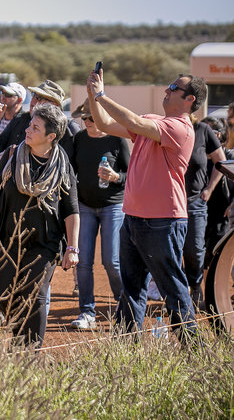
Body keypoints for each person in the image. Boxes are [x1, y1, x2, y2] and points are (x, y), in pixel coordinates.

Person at [87, 70, 207, 344]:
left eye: (173, 87)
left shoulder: (181, 127)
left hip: (163, 221)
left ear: (190, 99)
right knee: (132, 288)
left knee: (173, 288)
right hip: (135, 219)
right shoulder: (153, 122)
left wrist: (101, 94)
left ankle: (194, 348)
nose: (167, 89)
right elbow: (104, 124)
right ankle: (125, 348)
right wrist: (92, 95)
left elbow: (131, 121)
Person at [0, 103, 79, 346]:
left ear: (51, 136)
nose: (28, 130)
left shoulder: (62, 167)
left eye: (35, 127)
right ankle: (19, 337)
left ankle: (29, 351)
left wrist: (72, 248)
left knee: (35, 295)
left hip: (44, 242)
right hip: (7, 237)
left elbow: (71, 210)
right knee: (5, 294)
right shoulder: (14, 155)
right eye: (30, 124)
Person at [69, 101, 129, 330]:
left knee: (111, 260)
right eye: (84, 119)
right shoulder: (80, 139)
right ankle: (87, 312)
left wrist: (115, 177)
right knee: (82, 261)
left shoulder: (116, 139)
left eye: (91, 118)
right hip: (85, 205)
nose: (87, 123)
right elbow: (71, 169)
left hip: (112, 205)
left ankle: (125, 305)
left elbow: (130, 172)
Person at [182, 116, 225, 308]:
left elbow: (221, 162)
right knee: (171, 250)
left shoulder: (202, 130)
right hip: (169, 204)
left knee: (194, 250)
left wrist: (209, 189)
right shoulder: (167, 128)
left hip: (195, 202)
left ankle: (195, 285)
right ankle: (180, 293)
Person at [0, 80, 80, 159]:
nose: (33, 101)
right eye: (34, 95)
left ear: (54, 105)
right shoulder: (21, 119)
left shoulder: (70, 128)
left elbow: (73, 165)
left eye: (39, 98)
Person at [200, 117, 234, 269]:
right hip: (200, 214)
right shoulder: (198, 157)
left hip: (223, 216)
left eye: (207, 132)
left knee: (219, 258)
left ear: (218, 135)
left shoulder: (230, 156)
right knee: (202, 260)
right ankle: (203, 292)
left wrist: (233, 204)